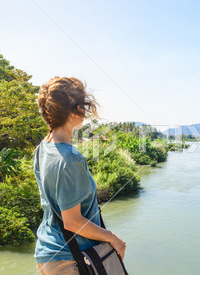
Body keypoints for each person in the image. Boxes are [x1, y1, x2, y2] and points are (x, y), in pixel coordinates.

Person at [33, 76, 126, 275]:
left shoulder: (42, 149)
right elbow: (72, 221)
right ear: (75, 112)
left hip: (47, 252)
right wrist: (113, 238)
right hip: (69, 260)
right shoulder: (70, 159)